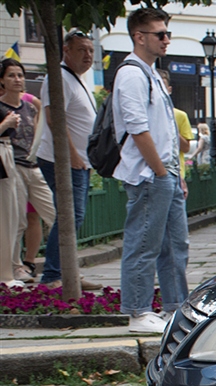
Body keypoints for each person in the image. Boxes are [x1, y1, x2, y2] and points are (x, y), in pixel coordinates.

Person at [112, 7, 188, 334]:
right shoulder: (131, 74)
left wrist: (173, 173)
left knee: (175, 245)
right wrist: (159, 171)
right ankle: (139, 311)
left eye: (167, 33)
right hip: (148, 175)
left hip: (165, 173)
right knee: (144, 243)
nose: (166, 39)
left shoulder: (152, 73)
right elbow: (138, 128)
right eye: (160, 34)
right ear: (139, 37)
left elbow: (166, 130)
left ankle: (175, 308)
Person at [36, 29, 101, 290]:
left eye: (90, 50)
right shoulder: (59, 77)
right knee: (69, 217)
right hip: (61, 160)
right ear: (66, 51)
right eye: (81, 50)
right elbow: (54, 118)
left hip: (80, 161)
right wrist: (72, 155)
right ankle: (52, 275)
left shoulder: (77, 78)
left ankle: (68, 271)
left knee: (73, 218)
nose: (87, 55)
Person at [0, 58, 55, 286]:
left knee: (55, 214)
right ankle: (15, 268)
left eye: (20, 75)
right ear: (2, 80)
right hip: (12, 165)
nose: (17, 80)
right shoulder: (1, 107)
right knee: (17, 220)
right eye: (11, 75)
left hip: (33, 166)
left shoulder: (29, 106)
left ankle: (60, 265)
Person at [157, 69, 193, 187]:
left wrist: (171, 129)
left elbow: (186, 147)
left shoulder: (180, 115)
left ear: (169, 90)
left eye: (163, 86)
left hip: (176, 172)